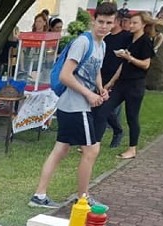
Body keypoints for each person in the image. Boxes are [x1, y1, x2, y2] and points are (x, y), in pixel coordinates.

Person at [28, 2, 117, 209]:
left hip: (78, 104)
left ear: (113, 24)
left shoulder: (101, 45)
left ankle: (39, 195)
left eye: (108, 23)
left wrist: (100, 88)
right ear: (93, 21)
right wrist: (88, 94)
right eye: (100, 22)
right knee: (92, 150)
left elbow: (95, 69)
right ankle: (83, 197)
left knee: (60, 149)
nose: (103, 26)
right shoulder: (83, 42)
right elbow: (65, 76)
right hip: (74, 105)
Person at [95, 11, 163, 160]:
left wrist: (129, 57)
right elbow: (122, 65)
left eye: (135, 23)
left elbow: (146, 64)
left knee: (132, 117)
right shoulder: (130, 39)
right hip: (122, 83)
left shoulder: (145, 41)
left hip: (135, 85)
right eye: (130, 22)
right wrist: (110, 83)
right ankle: (95, 144)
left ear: (143, 25)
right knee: (103, 110)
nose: (131, 25)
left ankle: (132, 149)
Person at [97, 9, 133, 148]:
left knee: (107, 107)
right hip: (103, 74)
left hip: (116, 77)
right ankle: (96, 139)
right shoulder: (107, 38)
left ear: (117, 21)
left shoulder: (126, 37)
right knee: (99, 107)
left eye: (110, 22)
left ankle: (117, 131)